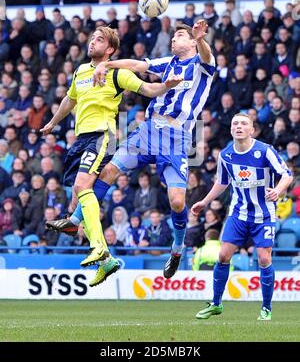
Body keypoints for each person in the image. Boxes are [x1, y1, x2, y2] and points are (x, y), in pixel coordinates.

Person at [58, 20, 215, 279]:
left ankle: (177, 248)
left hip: (177, 137)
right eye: (174, 36)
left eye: (178, 36)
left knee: (177, 202)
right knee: (108, 170)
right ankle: (75, 221)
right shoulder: (168, 63)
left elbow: (207, 56)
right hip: (149, 130)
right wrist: (107, 64)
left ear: (191, 41)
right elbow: (137, 65)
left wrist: (200, 39)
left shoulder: (201, 64)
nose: (173, 40)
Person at [41, 26, 182, 287]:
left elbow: (147, 89)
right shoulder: (81, 71)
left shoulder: (118, 73)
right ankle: (103, 258)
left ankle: (98, 248)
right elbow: (69, 101)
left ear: (110, 50)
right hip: (80, 138)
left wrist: (166, 85)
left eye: (99, 39)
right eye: (92, 37)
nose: (92, 41)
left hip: (101, 135)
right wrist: (52, 122)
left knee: (83, 187)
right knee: (77, 196)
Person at [192, 113, 293, 321]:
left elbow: (287, 174)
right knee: (222, 256)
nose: (239, 126)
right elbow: (222, 182)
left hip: (264, 214)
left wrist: (278, 190)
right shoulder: (226, 155)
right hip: (238, 213)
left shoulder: (265, 151)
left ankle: (266, 308)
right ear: (231, 130)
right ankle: (216, 303)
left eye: (244, 123)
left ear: (251, 130)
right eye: (235, 123)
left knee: (264, 259)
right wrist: (205, 201)